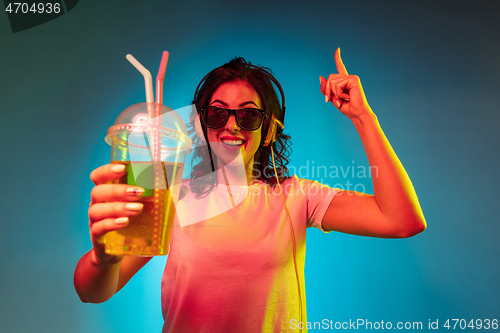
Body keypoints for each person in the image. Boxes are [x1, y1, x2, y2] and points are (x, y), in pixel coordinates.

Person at [74, 48, 426, 332]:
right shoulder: (171, 197)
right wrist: (103, 258)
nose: (231, 126)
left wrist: (364, 118)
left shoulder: (297, 197)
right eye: (216, 114)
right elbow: (92, 291)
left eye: (248, 116)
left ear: (268, 130)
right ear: (201, 126)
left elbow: (401, 220)